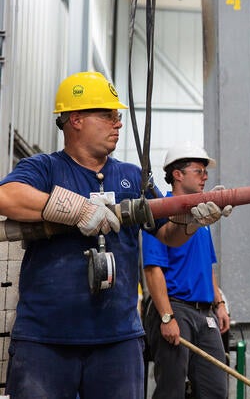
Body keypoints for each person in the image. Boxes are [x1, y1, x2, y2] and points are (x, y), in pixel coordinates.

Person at [0, 72, 229, 399]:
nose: (118, 123)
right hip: (45, 340)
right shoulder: (46, 169)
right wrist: (75, 208)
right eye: (108, 115)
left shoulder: (132, 177)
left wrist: (190, 222)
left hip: (117, 341)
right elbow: (6, 196)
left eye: (118, 116)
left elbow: (167, 234)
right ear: (76, 119)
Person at [142, 143, 231, 399]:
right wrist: (167, 317)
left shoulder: (202, 217)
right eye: (198, 171)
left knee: (215, 389)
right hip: (175, 308)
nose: (205, 177)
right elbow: (153, 269)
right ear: (177, 174)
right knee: (172, 390)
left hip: (205, 313)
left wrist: (219, 303)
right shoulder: (161, 212)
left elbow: (207, 266)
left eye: (205, 171)